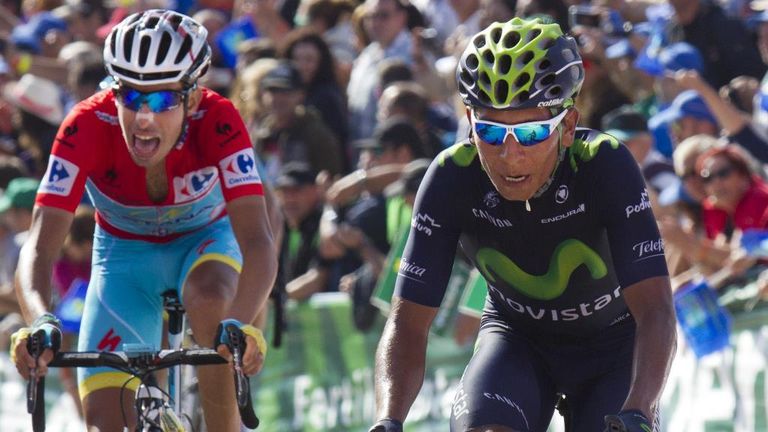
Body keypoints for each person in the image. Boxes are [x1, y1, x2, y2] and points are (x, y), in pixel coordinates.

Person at [369, 17, 676, 432]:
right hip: (517, 339)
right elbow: (408, 321)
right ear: (469, 125)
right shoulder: (450, 177)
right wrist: (388, 420)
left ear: (567, 126)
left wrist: (640, 408)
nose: (510, 155)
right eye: (491, 132)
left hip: (614, 347)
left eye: (531, 133)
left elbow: (655, 307)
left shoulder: (603, 164)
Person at [9, 10, 277, 432]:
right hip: (124, 260)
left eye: (162, 99)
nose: (144, 118)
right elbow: (40, 246)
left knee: (210, 301)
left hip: (204, 243)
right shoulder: (84, 125)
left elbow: (259, 240)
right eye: (131, 98)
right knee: (104, 425)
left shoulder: (220, 119)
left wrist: (240, 323)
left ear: (191, 97)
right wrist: (41, 319)